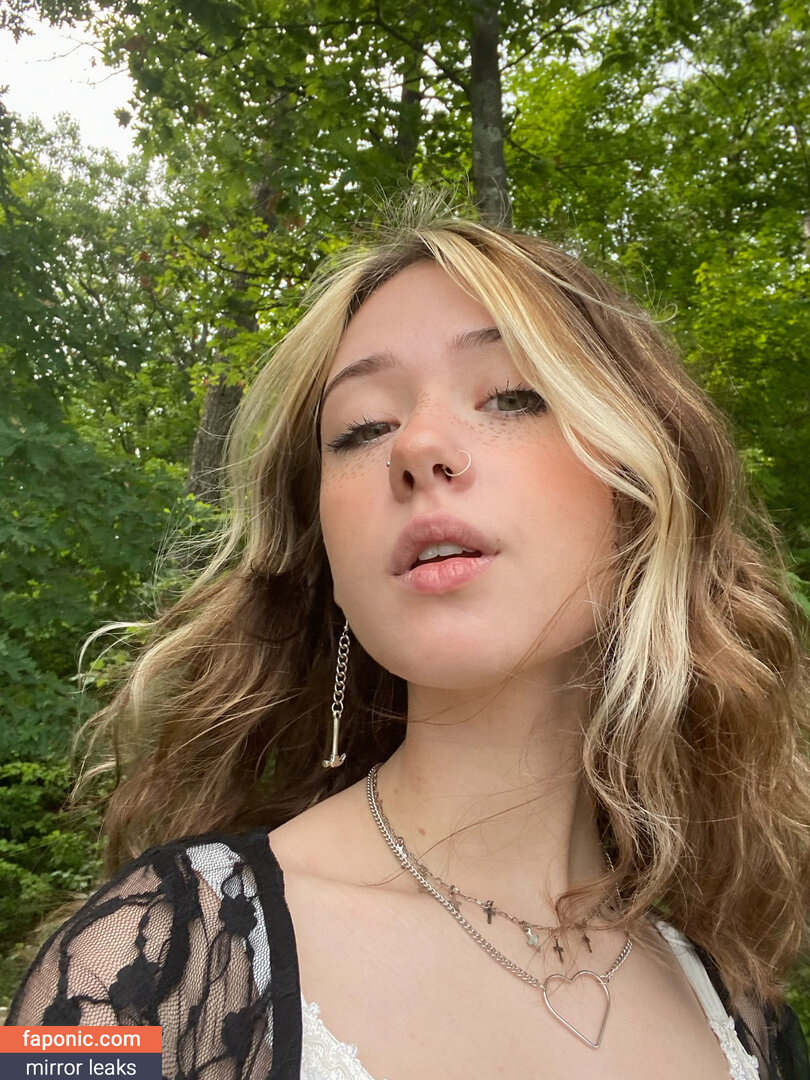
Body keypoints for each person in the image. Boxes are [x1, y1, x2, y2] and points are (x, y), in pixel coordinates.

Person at [7, 202, 810, 1080]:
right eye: (363, 429)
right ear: (329, 564)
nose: (418, 447)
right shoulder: (132, 965)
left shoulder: (746, 1014)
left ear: (644, 492)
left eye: (512, 395)